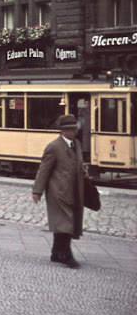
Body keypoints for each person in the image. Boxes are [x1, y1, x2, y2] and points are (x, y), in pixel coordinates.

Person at [32, 114, 85, 269]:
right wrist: (37, 191)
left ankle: (56, 252)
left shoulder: (77, 144)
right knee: (65, 223)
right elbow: (44, 170)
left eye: (74, 129)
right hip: (58, 191)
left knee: (66, 222)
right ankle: (67, 255)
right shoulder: (54, 147)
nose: (73, 132)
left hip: (74, 190)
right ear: (62, 131)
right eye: (70, 129)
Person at [77, 100, 91, 165]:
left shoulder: (91, 111)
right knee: (85, 145)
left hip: (89, 130)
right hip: (84, 130)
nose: (86, 104)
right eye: (85, 103)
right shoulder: (82, 111)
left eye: (87, 103)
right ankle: (85, 157)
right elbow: (80, 120)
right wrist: (79, 128)